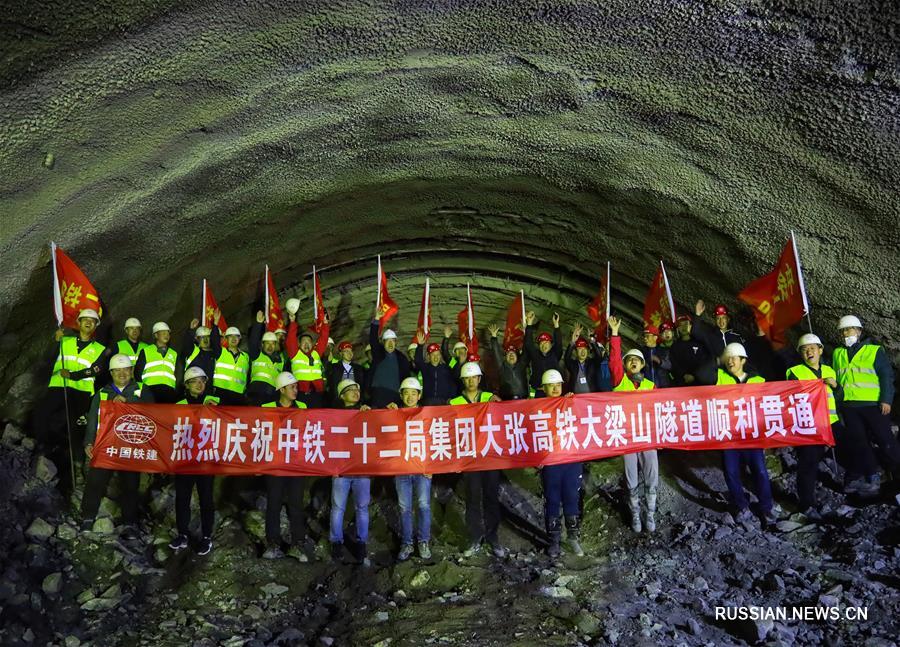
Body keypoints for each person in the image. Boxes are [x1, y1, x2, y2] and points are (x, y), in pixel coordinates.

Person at [80, 354, 153, 537]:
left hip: (131, 446)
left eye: (125, 370)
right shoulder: (103, 393)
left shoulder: (141, 390)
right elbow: (92, 420)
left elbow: (153, 414)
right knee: (95, 481)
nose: (122, 374)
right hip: (106, 446)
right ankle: (87, 518)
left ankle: (129, 523)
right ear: (111, 373)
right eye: (117, 370)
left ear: (131, 371)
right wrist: (89, 442)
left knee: (130, 484)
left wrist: (129, 404)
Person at [35, 308, 107, 492]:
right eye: (85, 320)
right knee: (44, 415)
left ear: (95, 326)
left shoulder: (99, 349)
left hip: (82, 392)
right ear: (79, 323)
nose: (89, 322)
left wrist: (74, 375)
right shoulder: (65, 341)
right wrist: (55, 341)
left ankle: (77, 466)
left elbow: (97, 370)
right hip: (58, 387)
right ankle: (41, 450)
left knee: (78, 428)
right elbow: (49, 358)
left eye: (93, 321)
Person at [832, 315, 898, 494]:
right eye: (843, 330)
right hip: (850, 407)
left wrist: (886, 399)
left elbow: (886, 376)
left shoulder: (874, 351)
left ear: (859, 331)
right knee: (861, 443)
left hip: (873, 405)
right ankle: (872, 476)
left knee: (885, 440)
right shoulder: (838, 353)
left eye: (850, 329)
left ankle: (897, 474)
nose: (846, 333)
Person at [716, 342, 777, 525]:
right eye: (728, 359)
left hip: (751, 435)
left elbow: (769, 405)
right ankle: (742, 506)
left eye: (734, 358)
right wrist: (718, 360)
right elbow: (701, 373)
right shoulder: (719, 377)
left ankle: (766, 508)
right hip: (729, 435)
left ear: (743, 360)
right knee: (731, 472)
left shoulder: (757, 380)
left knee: (759, 471)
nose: (730, 361)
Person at [608, 316, 659, 533]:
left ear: (643, 364)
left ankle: (650, 514)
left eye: (636, 360)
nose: (632, 362)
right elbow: (614, 363)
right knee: (631, 477)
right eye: (629, 360)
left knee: (651, 475)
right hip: (628, 437)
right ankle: (636, 514)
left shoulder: (650, 385)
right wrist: (615, 335)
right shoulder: (621, 382)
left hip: (647, 437)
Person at [450, 362, 504, 558]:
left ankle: (493, 537)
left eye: (474, 377)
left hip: (490, 456)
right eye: (467, 378)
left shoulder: (491, 399)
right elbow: (449, 432)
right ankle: (475, 537)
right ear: (463, 380)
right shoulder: (454, 403)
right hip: (469, 458)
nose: (471, 381)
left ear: (479, 379)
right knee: (472, 498)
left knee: (491, 497)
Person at [785, 334, 843, 515]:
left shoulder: (830, 371)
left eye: (812, 348)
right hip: (810, 425)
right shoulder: (793, 372)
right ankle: (806, 503)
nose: (809, 352)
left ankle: (852, 486)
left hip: (832, 423)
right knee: (808, 463)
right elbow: (790, 397)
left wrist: (836, 386)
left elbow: (840, 398)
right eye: (805, 349)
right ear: (800, 353)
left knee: (853, 448)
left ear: (820, 350)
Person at [261, 372, 311, 560]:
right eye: (292, 387)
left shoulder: (303, 407)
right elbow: (260, 435)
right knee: (273, 503)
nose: (295, 390)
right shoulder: (266, 408)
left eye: (296, 387)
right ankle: (273, 544)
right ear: (281, 389)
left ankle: (297, 544)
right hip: (275, 464)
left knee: (296, 504)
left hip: (296, 464)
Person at [170, 366, 219, 555]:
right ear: (187, 385)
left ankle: (207, 537)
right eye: (195, 381)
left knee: (206, 498)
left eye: (202, 381)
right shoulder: (179, 404)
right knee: (182, 498)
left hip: (206, 459)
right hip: (185, 459)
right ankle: (182, 534)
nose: (200, 384)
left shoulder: (213, 402)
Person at [538, 369, 584, 557]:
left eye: (558, 384)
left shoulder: (570, 403)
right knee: (553, 499)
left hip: (571, 459)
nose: (556, 388)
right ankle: (554, 541)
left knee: (572, 497)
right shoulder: (537, 409)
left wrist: (574, 402)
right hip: (551, 461)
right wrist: (536, 459)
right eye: (551, 385)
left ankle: (573, 538)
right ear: (544, 388)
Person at [386, 377, 433, 560]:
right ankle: (407, 543)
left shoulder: (426, 415)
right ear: (401, 395)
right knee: (404, 507)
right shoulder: (394, 414)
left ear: (419, 395)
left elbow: (433, 441)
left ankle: (423, 541)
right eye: (406, 393)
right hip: (401, 469)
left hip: (422, 468)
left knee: (423, 506)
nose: (410, 397)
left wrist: (432, 465)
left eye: (414, 393)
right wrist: (387, 412)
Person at [330, 378, 373, 565]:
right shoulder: (334, 416)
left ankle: (362, 544)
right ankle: (336, 543)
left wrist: (370, 415)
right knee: (338, 508)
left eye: (357, 388)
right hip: (341, 469)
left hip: (362, 469)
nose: (356, 392)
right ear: (342, 395)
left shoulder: (366, 413)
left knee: (362, 508)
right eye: (350, 389)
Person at [286, 311, 330, 408]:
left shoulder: (316, 353)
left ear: (313, 344)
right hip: (301, 392)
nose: (306, 344)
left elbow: (324, 339)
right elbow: (291, 339)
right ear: (298, 345)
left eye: (309, 342)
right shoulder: (295, 354)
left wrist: (325, 324)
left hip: (318, 392)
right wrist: (292, 322)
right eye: (303, 342)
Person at [247, 311, 289, 406]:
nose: (270, 346)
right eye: (267, 343)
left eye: (273, 343)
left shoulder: (281, 360)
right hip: (256, 394)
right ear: (262, 344)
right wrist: (258, 323)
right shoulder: (257, 355)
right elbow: (253, 341)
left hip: (272, 396)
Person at [368, 313, 409, 408]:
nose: (391, 343)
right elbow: (373, 339)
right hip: (378, 394)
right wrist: (377, 319)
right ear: (383, 342)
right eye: (388, 341)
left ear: (396, 343)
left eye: (393, 341)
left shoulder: (401, 358)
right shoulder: (378, 353)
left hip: (395, 395)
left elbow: (406, 375)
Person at [134, 321, 179, 403]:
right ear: (156, 335)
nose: (166, 335)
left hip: (169, 391)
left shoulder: (174, 353)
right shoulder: (146, 351)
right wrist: (141, 390)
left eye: (168, 333)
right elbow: (137, 373)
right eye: (163, 333)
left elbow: (177, 374)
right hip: (150, 390)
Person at [180, 313, 221, 398]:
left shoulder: (214, 355)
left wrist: (215, 325)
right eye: (202, 337)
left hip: (209, 393)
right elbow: (187, 343)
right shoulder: (192, 351)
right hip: (192, 393)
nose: (205, 340)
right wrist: (191, 329)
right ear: (196, 339)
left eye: (207, 337)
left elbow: (216, 342)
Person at [524, 310, 563, 397]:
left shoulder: (555, 354)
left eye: (546, 342)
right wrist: (529, 324)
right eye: (541, 343)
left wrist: (556, 325)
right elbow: (528, 343)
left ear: (551, 344)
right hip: (539, 392)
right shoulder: (535, 355)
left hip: (554, 392)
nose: (544, 345)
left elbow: (559, 343)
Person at [414, 331, 457, 405]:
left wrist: (452, 398)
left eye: (437, 354)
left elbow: (453, 384)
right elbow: (418, 360)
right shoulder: (425, 368)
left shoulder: (447, 368)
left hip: (444, 402)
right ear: (428, 356)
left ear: (440, 355)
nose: (436, 357)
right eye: (433, 355)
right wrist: (420, 346)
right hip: (428, 402)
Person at [668, 314, 712, 386]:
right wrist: (684, 375)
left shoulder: (699, 343)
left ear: (691, 325)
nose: (683, 327)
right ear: (678, 328)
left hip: (700, 383)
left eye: (686, 324)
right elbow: (674, 364)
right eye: (680, 325)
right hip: (681, 384)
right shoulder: (675, 346)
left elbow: (704, 361)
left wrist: (694, 375)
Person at [488, 325, 530, 400]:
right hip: (506, 401)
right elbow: (496, 353)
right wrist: (494, 337)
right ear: (505, 357)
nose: (511, 355)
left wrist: (527, 332)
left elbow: (526, 348)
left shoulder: (522, 365)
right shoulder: (502, 367)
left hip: (523, 400)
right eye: (509, 353)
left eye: (513, 353)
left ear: (517, 357)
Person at [213, 326, 250, 405]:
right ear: (226, 339)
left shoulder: (246, 357)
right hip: (221, 393)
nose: (233, 338)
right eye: (230, 336)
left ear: (240, 339)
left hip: (239, 395)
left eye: (236, 336)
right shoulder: (220, 352)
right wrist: (215, 325)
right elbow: (214, 340)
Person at [564, 323, 602, 394]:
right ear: (575, 351)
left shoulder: (592, 363)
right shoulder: (573, 365)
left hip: (592, 398)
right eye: (580, 349)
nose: (583, 351)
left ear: (588, 351)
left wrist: (592, 341)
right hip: (576, 399)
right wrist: (573, 341)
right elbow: (566, 358)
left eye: (585, 349)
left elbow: (599, 356)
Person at [326, 341, 366, 406]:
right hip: (337, 403)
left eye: (351, 351)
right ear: (341, 353)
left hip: (356, 402)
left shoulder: (359, 369)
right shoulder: (334, 367)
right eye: (346, 351)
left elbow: (363, 386)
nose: (349, 353)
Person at [639, 324, 672, 388]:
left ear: (655, 337)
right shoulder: (641, 352)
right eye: (644, 336)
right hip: (647, 388)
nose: (645, 338)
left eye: (647, 336)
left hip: (664, 387)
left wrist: (659, 360)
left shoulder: (664, 351)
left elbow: (670, 366)